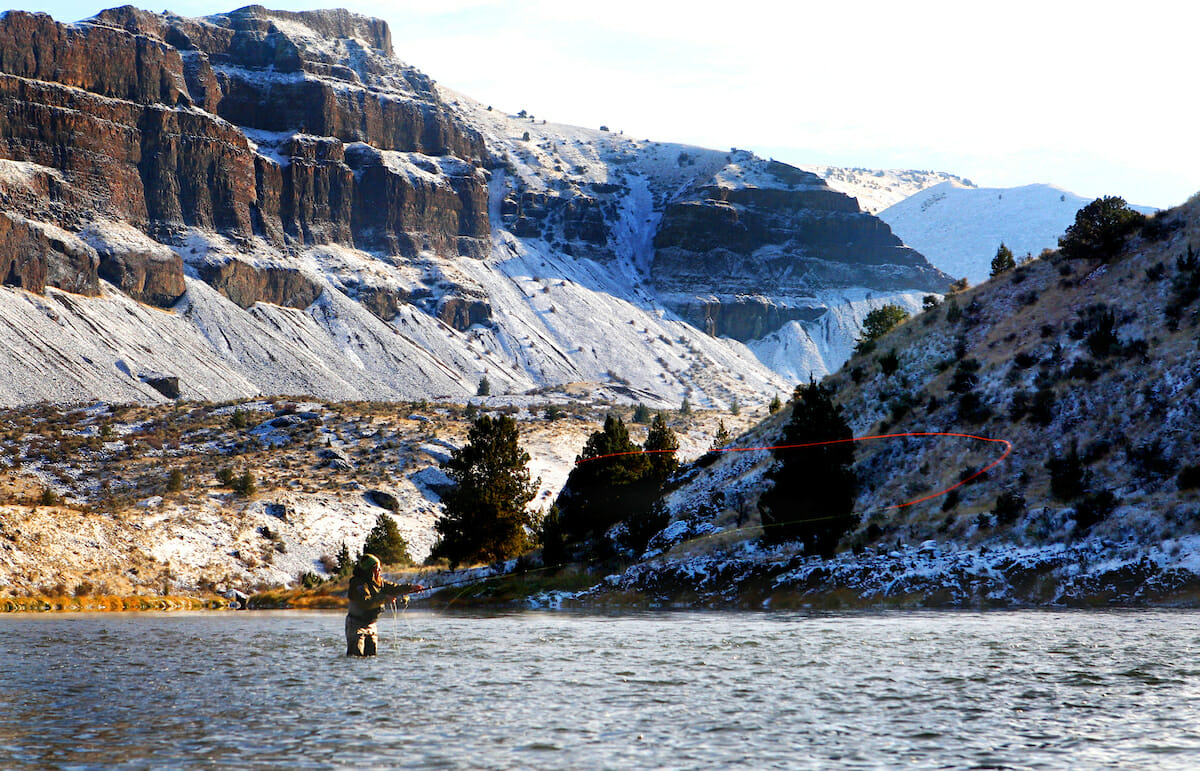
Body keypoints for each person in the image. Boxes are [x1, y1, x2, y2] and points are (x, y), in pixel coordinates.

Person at [345, 553, 423, 657]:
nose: (380, 571)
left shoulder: (378, 581)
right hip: (356, 625)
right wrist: (385, 598)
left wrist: (410, 588)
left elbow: (393, 588)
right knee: (355, 657)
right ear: (370, 570)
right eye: (377, 568)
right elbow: (366, 603)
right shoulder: (358, 584)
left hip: (371, 625)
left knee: (371, 657)